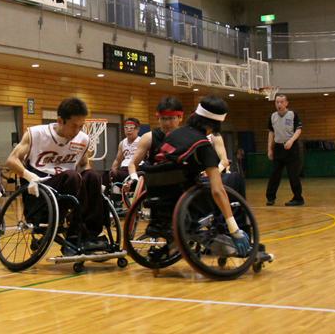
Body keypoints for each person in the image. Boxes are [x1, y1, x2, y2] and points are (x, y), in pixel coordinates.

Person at [152, 96, 252, 257]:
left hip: (160, 194)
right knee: (234, 180)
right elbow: (217, 191)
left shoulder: (175, 134)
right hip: (189, 198)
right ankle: (235, 233)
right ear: (216, 123)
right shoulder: (204, 145)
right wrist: (234, 229)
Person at [6, 97, 105, 252]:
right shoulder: (36, 134)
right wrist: (29, 176)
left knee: (93, 175)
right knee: (72, 176)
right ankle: (76, 233)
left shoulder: (82, 139)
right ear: (60, 120)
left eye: (81, 126)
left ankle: (91, 234)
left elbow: (84, 164)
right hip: (42, 187)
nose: (77, 131)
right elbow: (12, 160)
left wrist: (93, 184)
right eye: (73, 126)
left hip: (71, 183)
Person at [126, 96, 184, 190]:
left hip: (182, 183)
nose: (167, 123)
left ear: (180, 117)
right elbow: (132, 164)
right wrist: (134, 179)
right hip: (156, 183)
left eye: (171, 118)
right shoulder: (148, 138)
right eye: (163, 119)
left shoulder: (187, 137)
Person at [266, 94, 304, 206]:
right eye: (277, 102)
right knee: (274, 174)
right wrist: (269, 149)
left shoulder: (292, 115)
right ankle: (270, 198)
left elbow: (298, 130)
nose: (279, 104)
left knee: (293, 174)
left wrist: (291, 141)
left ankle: (298, 198)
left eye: (282, 102)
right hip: (278, 148)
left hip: (292, 148)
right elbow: (271, 133)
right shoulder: (272, 116)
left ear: (286, 103)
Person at [107, 118, 141, 194]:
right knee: (108, 174)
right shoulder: (122, 143)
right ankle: (113, 197)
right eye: (126, 128)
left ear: (138, 129)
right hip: (124, 171)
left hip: (138, 169)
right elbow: (117, 160)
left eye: (131, 127)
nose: (128, 130)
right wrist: (112, 171)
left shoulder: (142, 141)